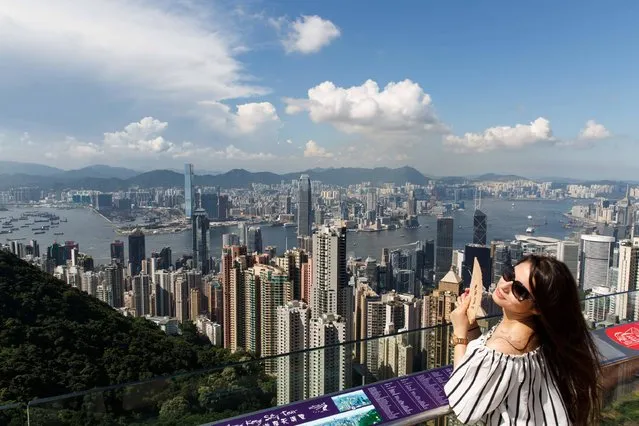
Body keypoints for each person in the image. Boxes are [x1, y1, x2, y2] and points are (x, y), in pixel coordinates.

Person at [444, 254, 601, 425]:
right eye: (509, 274)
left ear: (538, 308)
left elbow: (463, 401)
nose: (504, 286)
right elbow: (483, 367)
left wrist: (459, 331)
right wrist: (471, 326)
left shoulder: (505, 346)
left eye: (519, 290)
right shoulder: (538, 334)